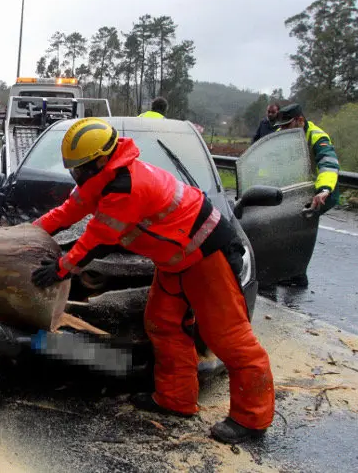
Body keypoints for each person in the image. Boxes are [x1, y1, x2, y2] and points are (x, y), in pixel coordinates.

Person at [30, 117, 274, 444]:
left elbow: (97, 239)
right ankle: (176, 399)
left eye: (80, 169)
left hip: (205, 255)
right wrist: (29, 233)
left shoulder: (128, 186)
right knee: (161, 323)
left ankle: (252, 418)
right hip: (174, 259)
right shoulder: (100, 178)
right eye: (73, 170)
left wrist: (61, 268)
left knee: (228, 336)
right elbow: (65, 212)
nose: (76, 175)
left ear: (102, 159)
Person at [273, 103, 340, 287]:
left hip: (320, 192)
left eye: (288, 125)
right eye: (282, 126)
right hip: (295, 190)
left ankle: (297, 275)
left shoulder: (318, 137)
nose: (283, 129)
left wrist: (324, 190)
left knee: (299, 226)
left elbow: (329, 165)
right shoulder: (282, 134)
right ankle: (290, 272)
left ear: (300, 121)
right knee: (284, 226)